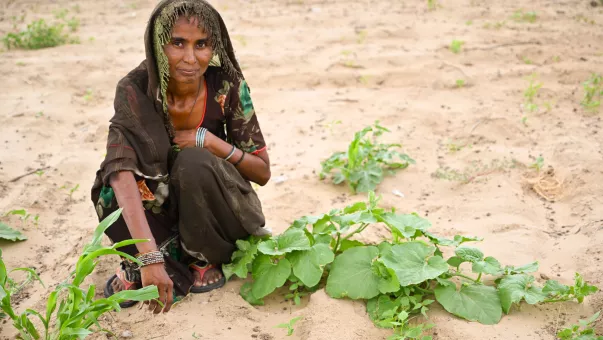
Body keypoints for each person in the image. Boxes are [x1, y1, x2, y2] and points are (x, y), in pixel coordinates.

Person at [90, 0, 270, 314]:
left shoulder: (226, 86)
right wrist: (148, 258)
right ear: (159, 44)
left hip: (216, 209)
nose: (190, 58)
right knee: (109, 187)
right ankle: (152, 258)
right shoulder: (135, 89)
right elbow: (120, 169)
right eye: (177, 43)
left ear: (214, 46)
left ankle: (202, 255)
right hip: (162, 206)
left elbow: (263, 173)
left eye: (201, 44)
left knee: (194, 162)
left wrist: (208, 140)